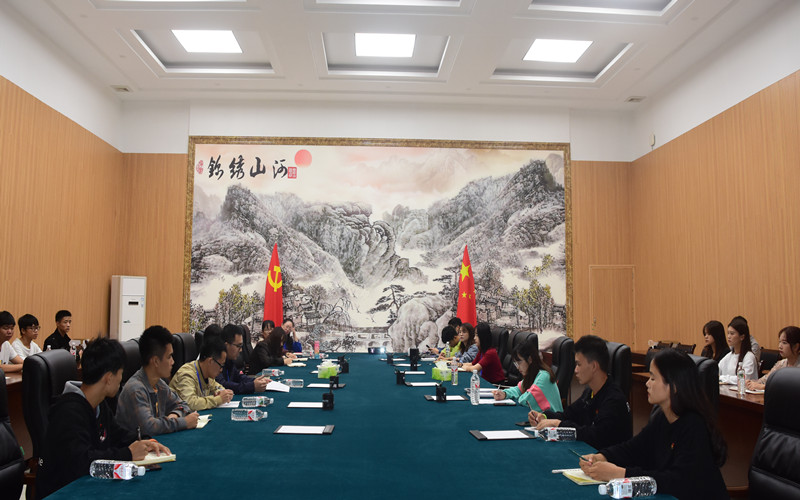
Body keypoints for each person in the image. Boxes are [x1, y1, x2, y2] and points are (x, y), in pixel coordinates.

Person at [580, 349, 728, 500]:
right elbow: (634, 448)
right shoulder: (662, 418)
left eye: (653, 378)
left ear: (674, 385)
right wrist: (603, 456)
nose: (647, 383)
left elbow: (678, 481)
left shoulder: (694, 426)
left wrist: (620, 474)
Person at [36, 338, 169, 498]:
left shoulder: (98, 404)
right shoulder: (68, 412)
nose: (121, 379)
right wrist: (127, 454)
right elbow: (81, 462)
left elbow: (117, 435)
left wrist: (144, 441)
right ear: (109, 378)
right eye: (120, 373)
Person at [529, 334, 631, 450]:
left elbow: (595, 435)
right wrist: (544, 416)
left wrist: (558, 424)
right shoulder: (589, 393)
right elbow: (569, 415)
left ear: (594, 366)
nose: (575, 370)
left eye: (579, 364)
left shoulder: (614, 400)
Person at [115, 325, 199, 436]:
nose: (173, 362)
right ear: (155, 361)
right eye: (169, 357)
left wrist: (175, 415)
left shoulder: (159, 383)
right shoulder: (135, 389)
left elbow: (183, 405)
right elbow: (149, 427)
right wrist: (184, 422)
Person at [493, 339, 563, 413]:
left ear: (530, 359)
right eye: (516, 364)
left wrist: (515, 398)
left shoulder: (544, 376)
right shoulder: (532, 375)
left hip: (552, 419)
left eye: (519, 362)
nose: (518, 367)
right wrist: (505, 393)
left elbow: (527, 399)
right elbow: (518, 389)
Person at [169, 335, 233, 411]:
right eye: (221, 365)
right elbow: (189, 403)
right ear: (210, 361)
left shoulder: (207, 374)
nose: (221, 370)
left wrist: (221, 392)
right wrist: (218, 399)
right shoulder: (186, 374)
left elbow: (218, 387)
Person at [216, 324, 269, 393]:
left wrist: (257, 381)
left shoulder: (230, 360)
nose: (241, 350)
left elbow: (239, 377)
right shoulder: (216, 360)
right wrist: (251, 386)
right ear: (226, 345)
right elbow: (223, 385)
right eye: (238, 346)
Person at [746, 326, 800, 391]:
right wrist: (751, 383)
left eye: (784, 343)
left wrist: (764, 387)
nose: (780, 346)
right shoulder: (781, 364)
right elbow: (765, 380)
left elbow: (791, 388)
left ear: (796, 346)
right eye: (779, 342)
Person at [719, 317, 757, 382]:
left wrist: (722, 378)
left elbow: (742, 379)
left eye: (732, 333)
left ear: (742, 337)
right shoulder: (729, 355)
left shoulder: (749, 357)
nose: (728, 336)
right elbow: (717, 370)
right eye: (728, 333)